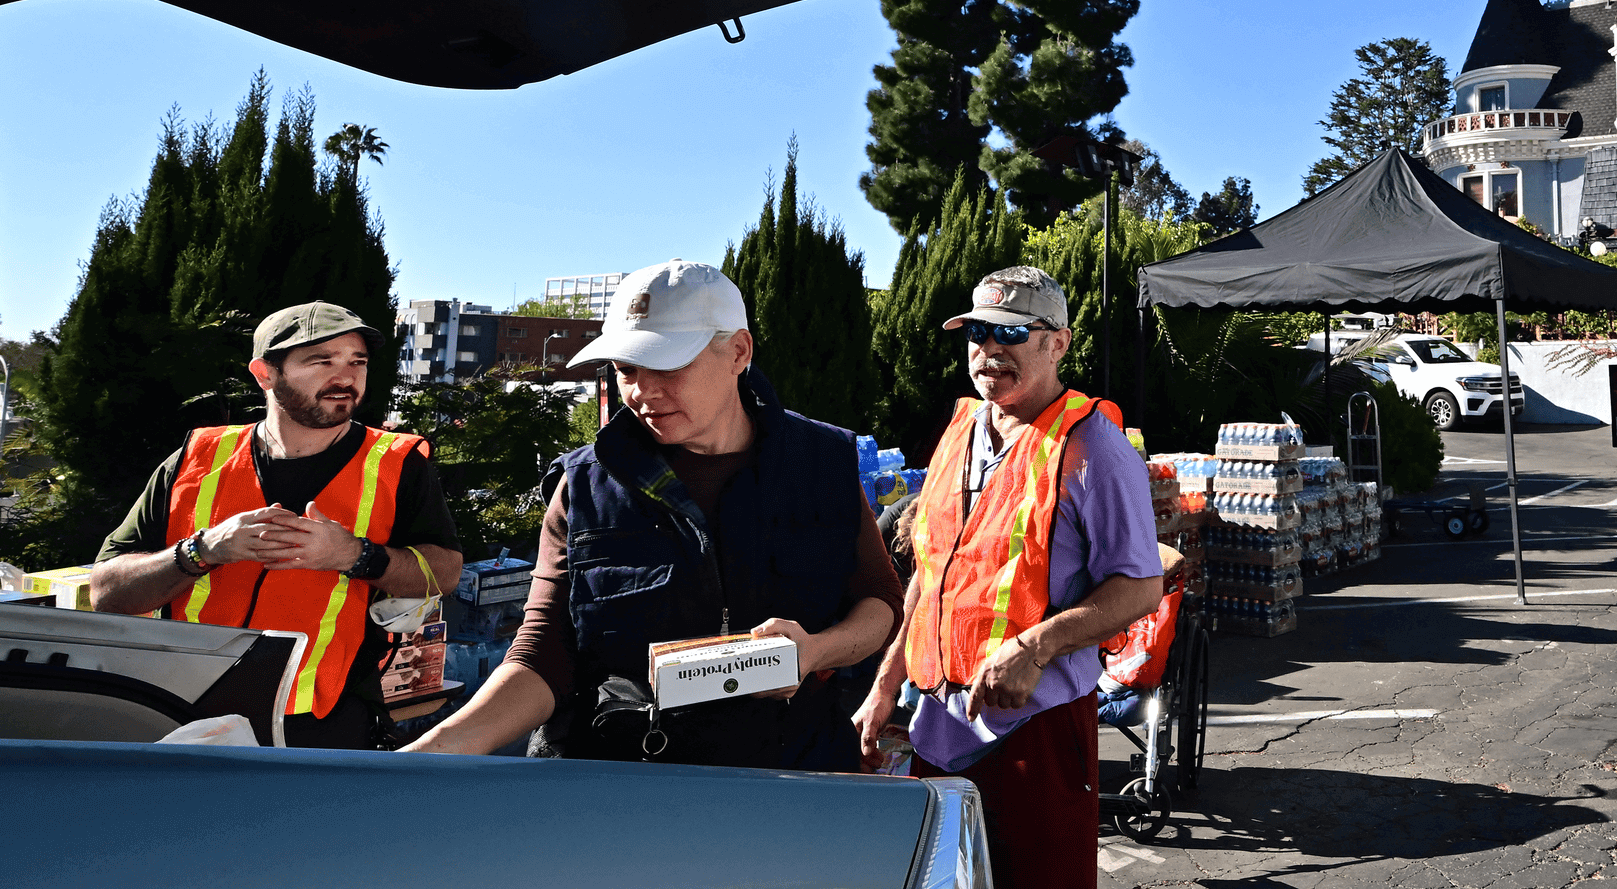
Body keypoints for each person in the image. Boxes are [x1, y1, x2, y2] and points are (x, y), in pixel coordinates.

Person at [407, 259, 901, 766]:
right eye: (626, 370)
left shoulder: (822, 463)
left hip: (789, 780)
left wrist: (816, 650)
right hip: (623, 785)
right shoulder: (584, 484)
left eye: (667, 365)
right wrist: (429, 756)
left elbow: (881, 601)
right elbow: (543, 654)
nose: (643, 391)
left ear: (738, 351)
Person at [854, 266, 1162, 889]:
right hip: (935, 724)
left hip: (1034, 728)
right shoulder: (960, 431)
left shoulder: (1094, 449)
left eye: (1011, 333)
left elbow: (1140, 587)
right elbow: (930, 573)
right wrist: (887, 681)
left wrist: (1034, 646)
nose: (989, 350)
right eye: (976, 334)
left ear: (1058, 343)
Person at [91, 302, 463, 749]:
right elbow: (106, 594)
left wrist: (354, 555)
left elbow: (443, 576)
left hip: (323, 726)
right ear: (265, 373)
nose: (345, 377)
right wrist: (203, 550)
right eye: (321, 361)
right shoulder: (197, 458)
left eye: (356, 361)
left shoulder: (399, 463)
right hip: (180, 715)